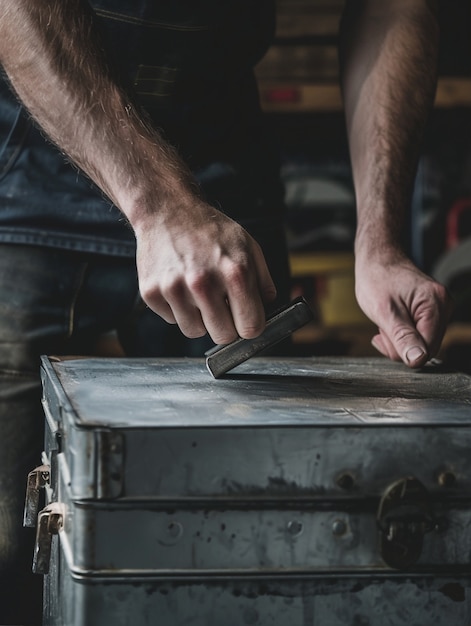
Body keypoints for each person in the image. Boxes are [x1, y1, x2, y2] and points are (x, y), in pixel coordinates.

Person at [0, 0, 451, 623]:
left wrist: (380, 242)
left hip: (226, 191)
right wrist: (158, 204)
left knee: (265, 517)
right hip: (26, 178)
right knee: (6, 538)